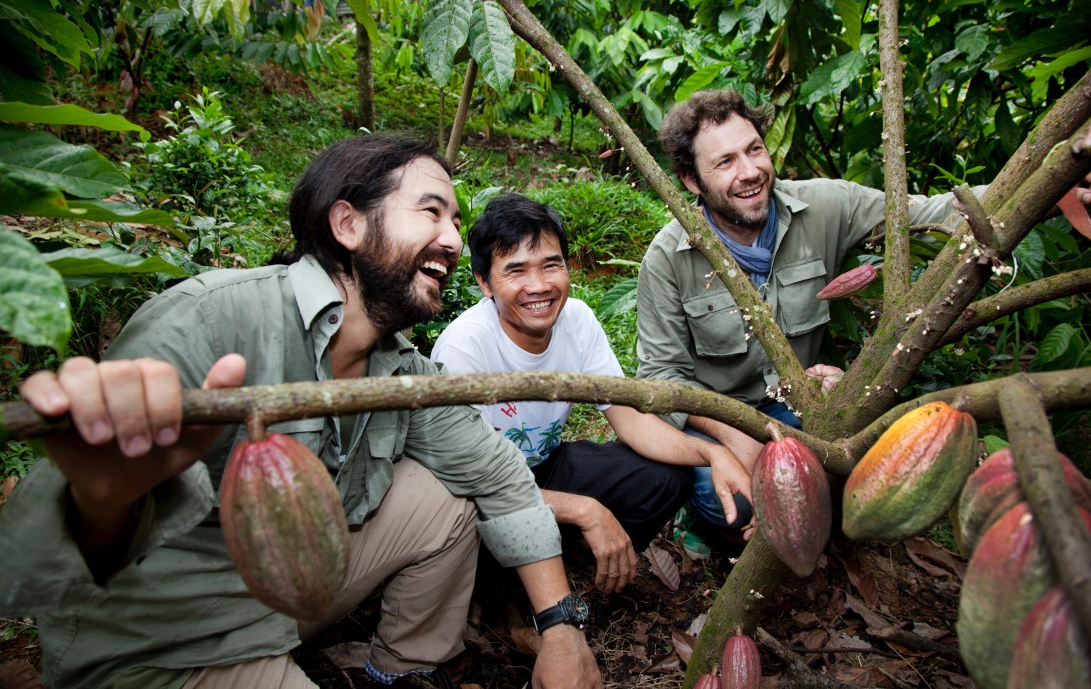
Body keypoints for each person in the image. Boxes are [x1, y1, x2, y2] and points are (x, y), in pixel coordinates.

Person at [0, 135, 602, 689]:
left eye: (454, 218)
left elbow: (496, 474)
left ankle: (402, 672)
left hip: (290, 589)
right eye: (431, 211)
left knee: (444, 496)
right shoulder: (211, 320)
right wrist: (103, 498)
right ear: (347, 223)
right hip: (171, 642)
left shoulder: (401, 368)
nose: (451, 237)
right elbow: (47, 560)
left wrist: (561, 627)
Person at [637, 88, 984, 539]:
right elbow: (663, 375)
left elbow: (928, 212)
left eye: (755, 149)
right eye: (725, 162)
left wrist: (1047, 183)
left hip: (802, 409)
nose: (750, 172)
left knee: (867, 478)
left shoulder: (825, 205)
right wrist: (734, 436)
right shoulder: (667, 258)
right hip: (724, 422)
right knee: (730, 504)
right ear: (691, 181)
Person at [431, 193, 754, 590]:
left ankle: (580, 561)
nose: (539, 286)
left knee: (666, 475)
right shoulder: (464, 348)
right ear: (485, 283)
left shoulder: (577, 320)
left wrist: (711, 452)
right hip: (481, 494)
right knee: (473, 532)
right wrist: (585, 509)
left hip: (543, 468)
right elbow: (479, 487)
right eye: (516, 272)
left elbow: (630, 418)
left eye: (552, 265)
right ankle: (509, 596)